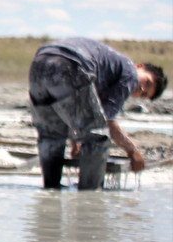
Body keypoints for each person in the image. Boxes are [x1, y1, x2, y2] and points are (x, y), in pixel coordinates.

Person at [28, 38, 165, 190]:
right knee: (99, 138)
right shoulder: (130, 73)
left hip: (40, 64)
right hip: (70, 63)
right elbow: (106, 122)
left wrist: (75, 142)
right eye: (147, 82)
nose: (142, 89)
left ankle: (50, 192)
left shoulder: (109, 73)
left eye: (144, 95)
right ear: (140, 66)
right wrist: (132, 151)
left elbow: (73, 111)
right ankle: (89, 196)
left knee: (51, 137)